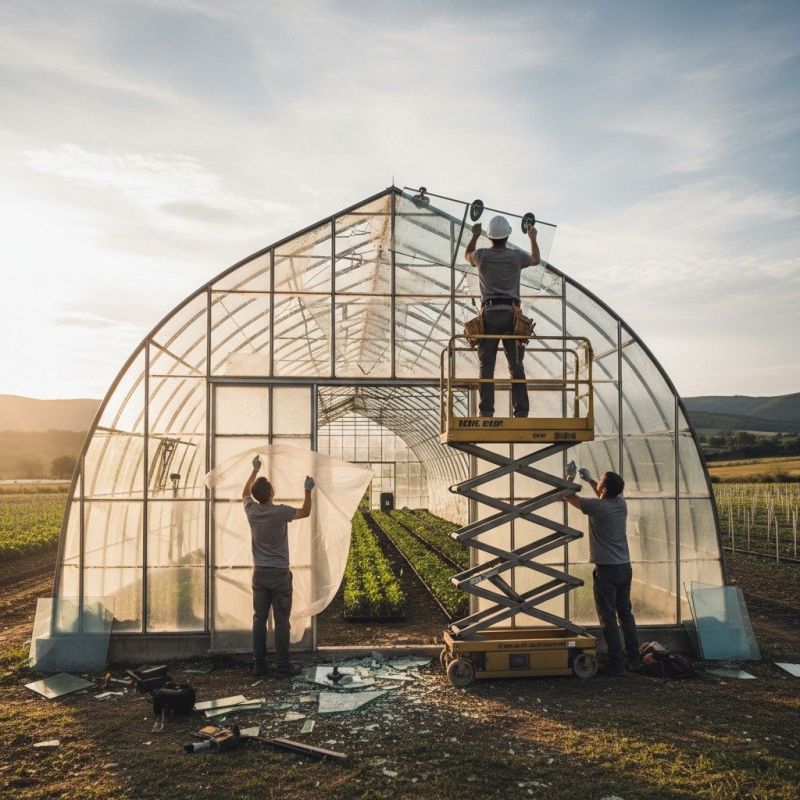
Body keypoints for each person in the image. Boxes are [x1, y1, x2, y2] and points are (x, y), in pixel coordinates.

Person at [565, 466, 642, 675]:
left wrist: (570, 477)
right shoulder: (620, 504)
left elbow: (570, 497)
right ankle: (634, 660)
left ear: (605, 489)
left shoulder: (597, 507)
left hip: (607, 570)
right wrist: (591, 481)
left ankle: (616, 665)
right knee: (625, 614)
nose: (597, 482)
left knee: (608, 617)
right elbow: (603, 497)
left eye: (600, 480)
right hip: (624, 567)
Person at [243, 455, 314, 677]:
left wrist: (254, 471)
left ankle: (259, 665)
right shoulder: (280, 511)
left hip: (260, 574)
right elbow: (305, 512)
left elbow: (244, 493)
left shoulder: (252, 511)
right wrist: (308, 490)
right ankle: (283, 667)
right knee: (282, 621)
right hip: (280, 575)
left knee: (259, 620)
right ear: (272, 493)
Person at [465, 214, 540, 418]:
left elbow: (467, 254)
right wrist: (532, 237)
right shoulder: (516, 257)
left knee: (486, 367)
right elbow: (535, 259)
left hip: (489, 315)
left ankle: (486, 411)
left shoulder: (481, 256)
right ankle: (521, 411)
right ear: (507, 236)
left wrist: (474, 235)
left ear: (490, 237)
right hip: (511, 316)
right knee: (516, 365)